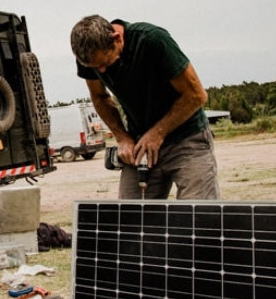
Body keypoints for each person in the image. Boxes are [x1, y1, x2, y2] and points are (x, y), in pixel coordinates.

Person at [70, 14, 220, 200]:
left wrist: (157, 133)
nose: (101, 71)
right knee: (131, 220)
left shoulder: (153, 41)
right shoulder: (89, 56)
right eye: (95, 67)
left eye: (105, 62)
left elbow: (196, 95)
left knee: (198, 216)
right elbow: (99, 97)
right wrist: (122, 138)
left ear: (117, 38)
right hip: (140, 143)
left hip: (187, 138)